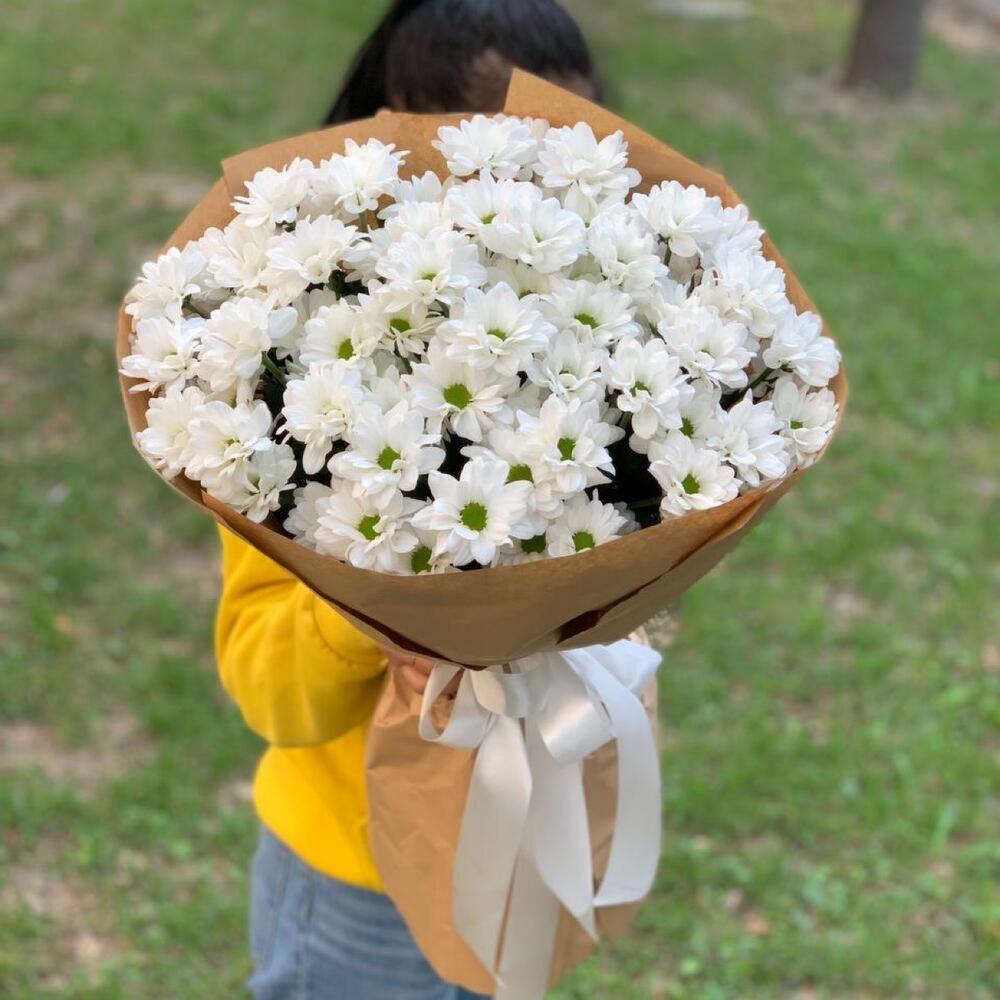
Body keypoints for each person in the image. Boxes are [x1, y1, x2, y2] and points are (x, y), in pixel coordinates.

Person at [216, 2, 601, 997]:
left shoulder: (591, 339)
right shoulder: (294, 392)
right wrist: (371, 612)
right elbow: (267, 689)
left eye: (564, 163)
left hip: (521, 844)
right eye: (496, 164)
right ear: (393, 150)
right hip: (357, 882)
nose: (532, 202)